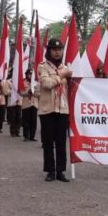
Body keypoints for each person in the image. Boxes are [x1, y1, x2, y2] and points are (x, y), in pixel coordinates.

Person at [38, 38, 72, 182]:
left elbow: (70, 89)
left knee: (61, 142)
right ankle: (50, 171)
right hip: (47, 109)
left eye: (59, 49)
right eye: (54, 49)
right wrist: (62, 76)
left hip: (62, 108)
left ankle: (60, 171)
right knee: (48, 141)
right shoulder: (43, 66)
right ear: (49, 51)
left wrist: (68, 76)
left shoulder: (66, 67)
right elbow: (47, 83)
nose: (57, 52)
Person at [21, 69, 39, 142]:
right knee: (26, 121)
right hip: (26, 104)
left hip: (34, 104)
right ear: (26, 74)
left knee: (33, 121)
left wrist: (34, 92)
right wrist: (28, 91)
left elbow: (39, 93)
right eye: (29, 74)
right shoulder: (23, 82)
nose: (30, 76)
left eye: (31, 74)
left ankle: (32, 136)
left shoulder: (36, 83)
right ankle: (26, 136)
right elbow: (21, 93)